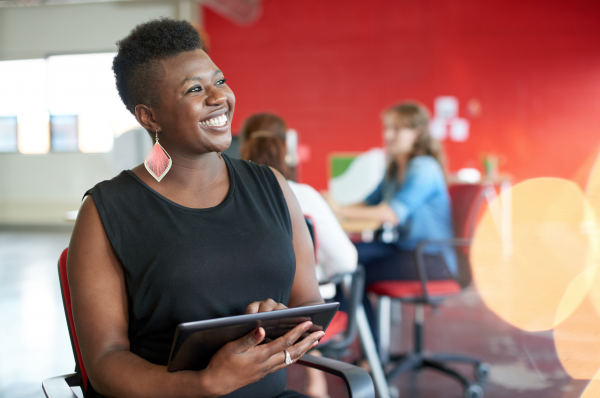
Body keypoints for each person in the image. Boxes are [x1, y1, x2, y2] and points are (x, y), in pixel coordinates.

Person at [67, 18, 325, 398]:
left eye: (219, 81)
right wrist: (204, 384)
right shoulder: (106, 212)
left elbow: (310, 305)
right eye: (194, 89)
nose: (218, 97)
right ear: (148, 117)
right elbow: (105, 362)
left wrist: (280, 321)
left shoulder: (272, 186)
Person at [240, 131, 357, 398]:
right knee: (344, 279)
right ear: (285, 153)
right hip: (305, 309)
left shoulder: (229, 201)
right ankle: (337, 374)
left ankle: (317, 382)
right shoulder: (304, 195)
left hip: (248, 313)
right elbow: (347, 260)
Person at [327, 101, 457, 341]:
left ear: (417, 133)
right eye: (387, 128)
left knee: (353, 272)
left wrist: (339, 208)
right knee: (342, 256)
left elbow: (391, 213)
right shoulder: (395, 167)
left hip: (430, 258)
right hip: (405, 249)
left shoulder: (423, 167)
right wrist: (330, 207)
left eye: (397, 129)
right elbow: (369, 204)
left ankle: (365, 350)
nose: (388, 135)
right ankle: (349, 336)